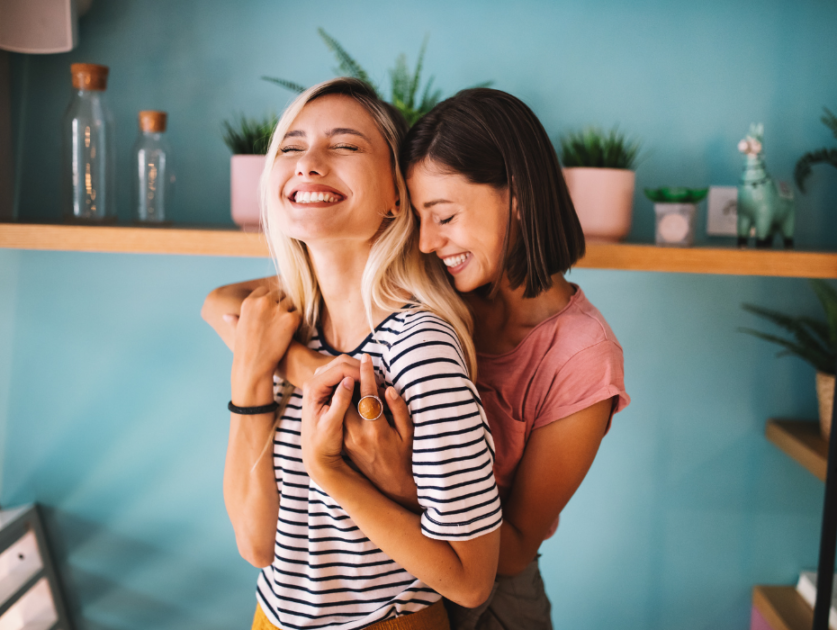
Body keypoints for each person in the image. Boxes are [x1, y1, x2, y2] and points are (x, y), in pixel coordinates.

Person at [209, 88, 629, 630]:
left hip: (494, 596)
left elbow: (512, 550)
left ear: (517, 198)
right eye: (418, 214)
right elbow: (223, 305)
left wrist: (386, 473)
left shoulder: (579, 357)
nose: (425, 241)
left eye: (445, 216)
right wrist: (320, 381)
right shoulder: (448, 280)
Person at [202, 77, 503, 630]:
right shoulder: (286, 325)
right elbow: (255, 544)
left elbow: (470, 579)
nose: (308, 163)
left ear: (397, 193)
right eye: (290, 147)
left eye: (344, 145)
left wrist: (329, 467)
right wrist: (254, 373)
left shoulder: (420, 348)